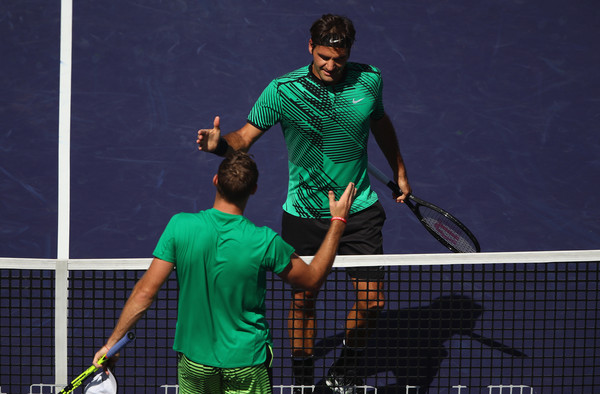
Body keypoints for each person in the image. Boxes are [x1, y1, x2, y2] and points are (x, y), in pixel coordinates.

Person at [196, 14, 411, 393]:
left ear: (349, 53)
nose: (331, 66)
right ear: (310, 47)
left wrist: (400, 170)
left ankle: (344, 370)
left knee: (373, 304)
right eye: (324, 56)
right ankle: (301, 383)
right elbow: (243, 138)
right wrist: (219, 145)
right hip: (304, 214)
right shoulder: (283, 91)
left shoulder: (369, 79)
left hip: (357, 208)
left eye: (339, 59)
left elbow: (379, 123)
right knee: (303, 304)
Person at [92, 151, 357, 394]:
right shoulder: (264, 241)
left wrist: (111, 345)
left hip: (195, 364)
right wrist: (337, 222)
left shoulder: (180, 226)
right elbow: (311, 280)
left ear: (216, 180)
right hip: (247, 365)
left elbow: (144, 292)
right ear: (253, 190)